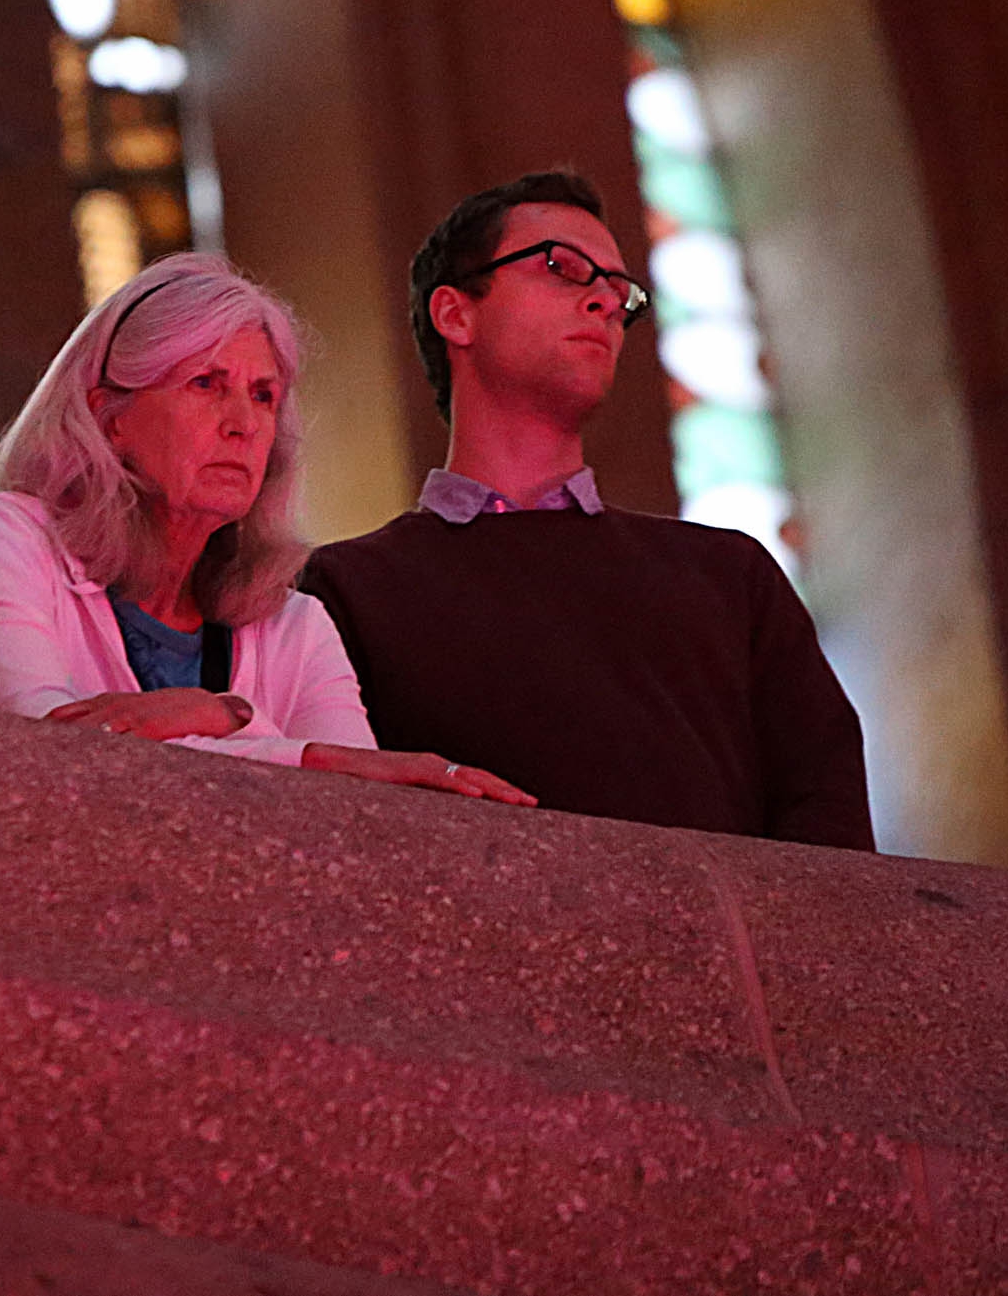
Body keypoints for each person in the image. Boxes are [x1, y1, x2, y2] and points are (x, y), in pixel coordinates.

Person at [299, 171, 873, 846]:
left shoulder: (729, 576)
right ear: (455, 314)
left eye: (620, 292)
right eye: (563, 268)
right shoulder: (345, 592)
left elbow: (831, 837)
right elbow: (337, 842)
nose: (604, 302)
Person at [0, 251, 530, 803]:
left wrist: (218, 715)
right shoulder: (4, 539)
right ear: (109, 418)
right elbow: (49, 753)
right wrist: (252, 730)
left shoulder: (295, 625)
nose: (244, 424)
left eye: (263, 395)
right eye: (206, 383)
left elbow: (356, 808)